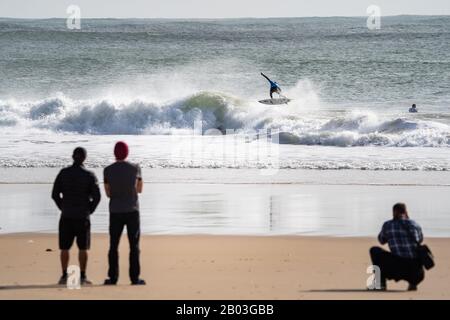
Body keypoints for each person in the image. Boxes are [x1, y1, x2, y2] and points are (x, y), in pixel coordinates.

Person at [52, 147, 101, 285]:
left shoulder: (63, 173)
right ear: (85, 158)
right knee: (83, 247)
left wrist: (62, 207)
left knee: (64, 247)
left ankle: (64, 276)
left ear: (73, 157)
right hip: (82, 215)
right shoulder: (89, 175)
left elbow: (55, 195)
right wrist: (89, 210)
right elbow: (97, 197)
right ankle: (83, 276)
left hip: (66, 214)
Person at [103, 141, 146, 285]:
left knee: (113, 245)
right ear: (127, 152)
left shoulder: (108, 170)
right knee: (134, 246)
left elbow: (108, 193)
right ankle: (134, 278)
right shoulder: (135, 168)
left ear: (115, 153)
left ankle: (113, 277)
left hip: (115, 210)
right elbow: (139, 189)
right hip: (132, 210)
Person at [369, 203, 425, 291]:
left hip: (397, 269)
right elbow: (420, 240)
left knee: (375, 250)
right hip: (417, 273)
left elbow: (381, 240)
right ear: (406, 212)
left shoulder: (388, 225)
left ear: (394, 212)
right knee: (410, 259)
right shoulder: (414, 224)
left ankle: (380, 284)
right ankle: (413, 283)